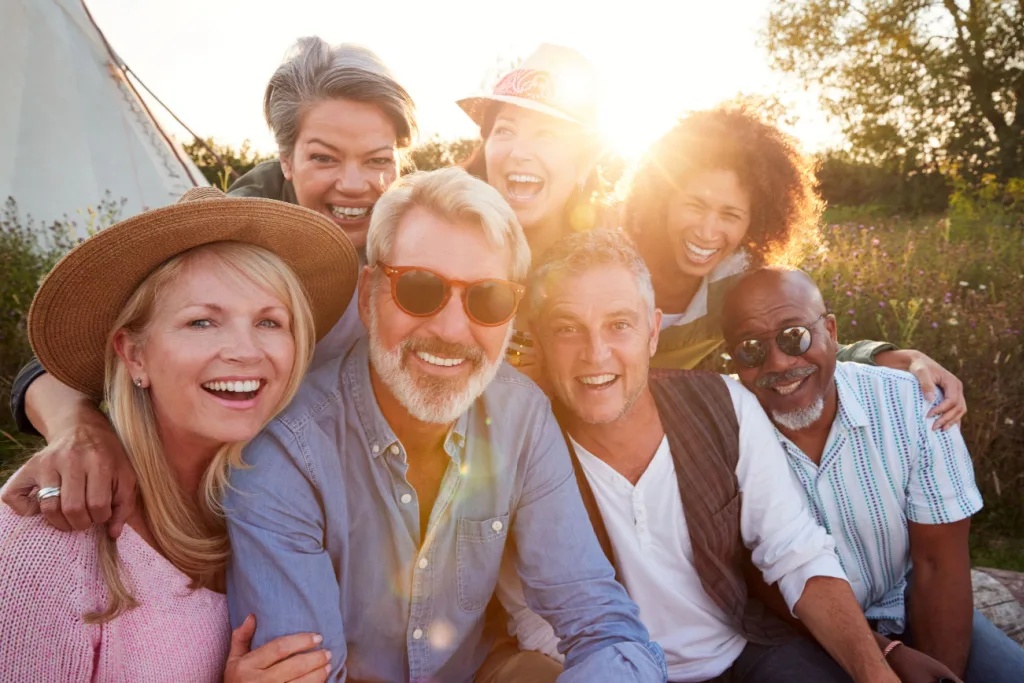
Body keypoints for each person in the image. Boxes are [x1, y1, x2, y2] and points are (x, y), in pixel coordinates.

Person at [223, 168, 667, 682]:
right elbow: (308, 673)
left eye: (488, 299)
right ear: (368, 295)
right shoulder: (287, 454)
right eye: (418, 289)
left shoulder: (521, 416)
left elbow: (598, 619)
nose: (452, 330)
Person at [491, 229, 959, 683]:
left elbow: (794, 552)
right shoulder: (523, 450)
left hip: (748, 645)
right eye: (567, 329)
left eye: (619, 325)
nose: (596, 354)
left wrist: (875, 671)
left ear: (652, 332)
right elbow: (538, 621)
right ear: (539, 340)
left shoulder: (723, 406)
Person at [4, 36, 417, 538]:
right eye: (324, 159)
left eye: (377, 160)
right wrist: (78, 427)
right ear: (286, 160)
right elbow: (70, 351)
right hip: (222, 499)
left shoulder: (416, 227)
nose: (354, 184)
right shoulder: (236, 232)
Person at [0, 187, 360, 681]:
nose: (245, 351)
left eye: (269, 322)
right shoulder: (45, 543)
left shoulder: (289, 514)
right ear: (134, 355)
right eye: (202, 322)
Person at [721, 266, 1024, 683]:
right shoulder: (726, 430)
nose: (779, 362)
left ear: (830, 331)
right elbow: (755, 576)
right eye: (751, 349)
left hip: (907, 600)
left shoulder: (912, 402)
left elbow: (938, 563)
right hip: (794, 629)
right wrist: (883, 654)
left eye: (795, 336)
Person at [625, 106, 967, 429]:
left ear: (754, 221)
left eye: (731, 215)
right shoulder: (614, 259)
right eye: (694, 206)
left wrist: (890, 358)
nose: (707, 231)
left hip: (645, 414)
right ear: (664, 200)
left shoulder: (737, 278)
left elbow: (797, 342)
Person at [459, 43, 611, 376]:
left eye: (547, 136)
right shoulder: (446, 243)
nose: (519, 152)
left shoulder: (606, 273)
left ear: (584, 163)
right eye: (505, 130)